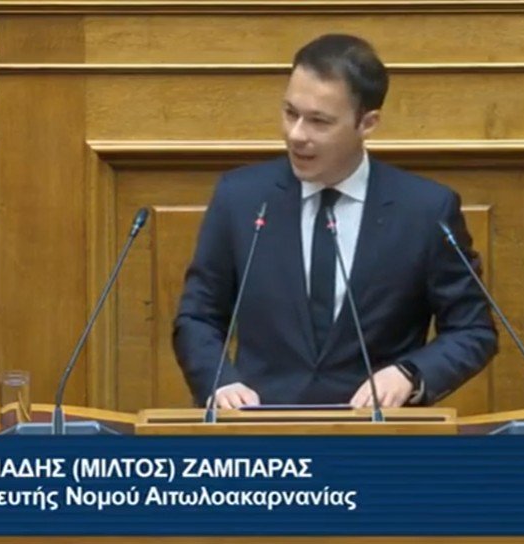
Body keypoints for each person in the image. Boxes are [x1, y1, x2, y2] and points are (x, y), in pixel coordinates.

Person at [173, 34, 498, 410]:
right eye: (290, 113)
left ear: (367, 123)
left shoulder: (424, 210)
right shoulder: (241, 198)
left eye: (319, 121)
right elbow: (198, 316)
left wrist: (409, 374)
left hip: (376, 433)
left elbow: (472, 329)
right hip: (259, 427)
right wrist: (219, 382)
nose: (296, 135)